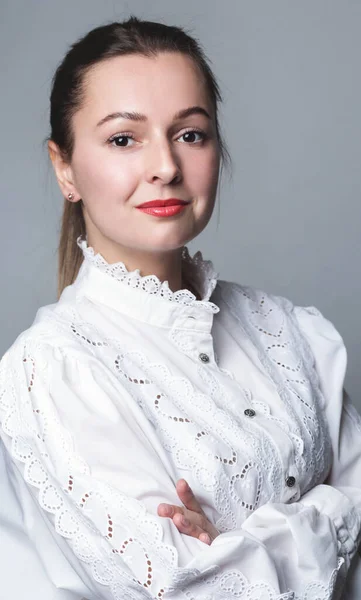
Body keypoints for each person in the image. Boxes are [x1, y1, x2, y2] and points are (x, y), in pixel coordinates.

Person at [0, 15, 360, 600]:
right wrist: (333, 513)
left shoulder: (289, 330)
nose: (165, 166)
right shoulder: (54, 371)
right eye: (124, 139)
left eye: (190, 133)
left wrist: (242, 545)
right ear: (64, 167)